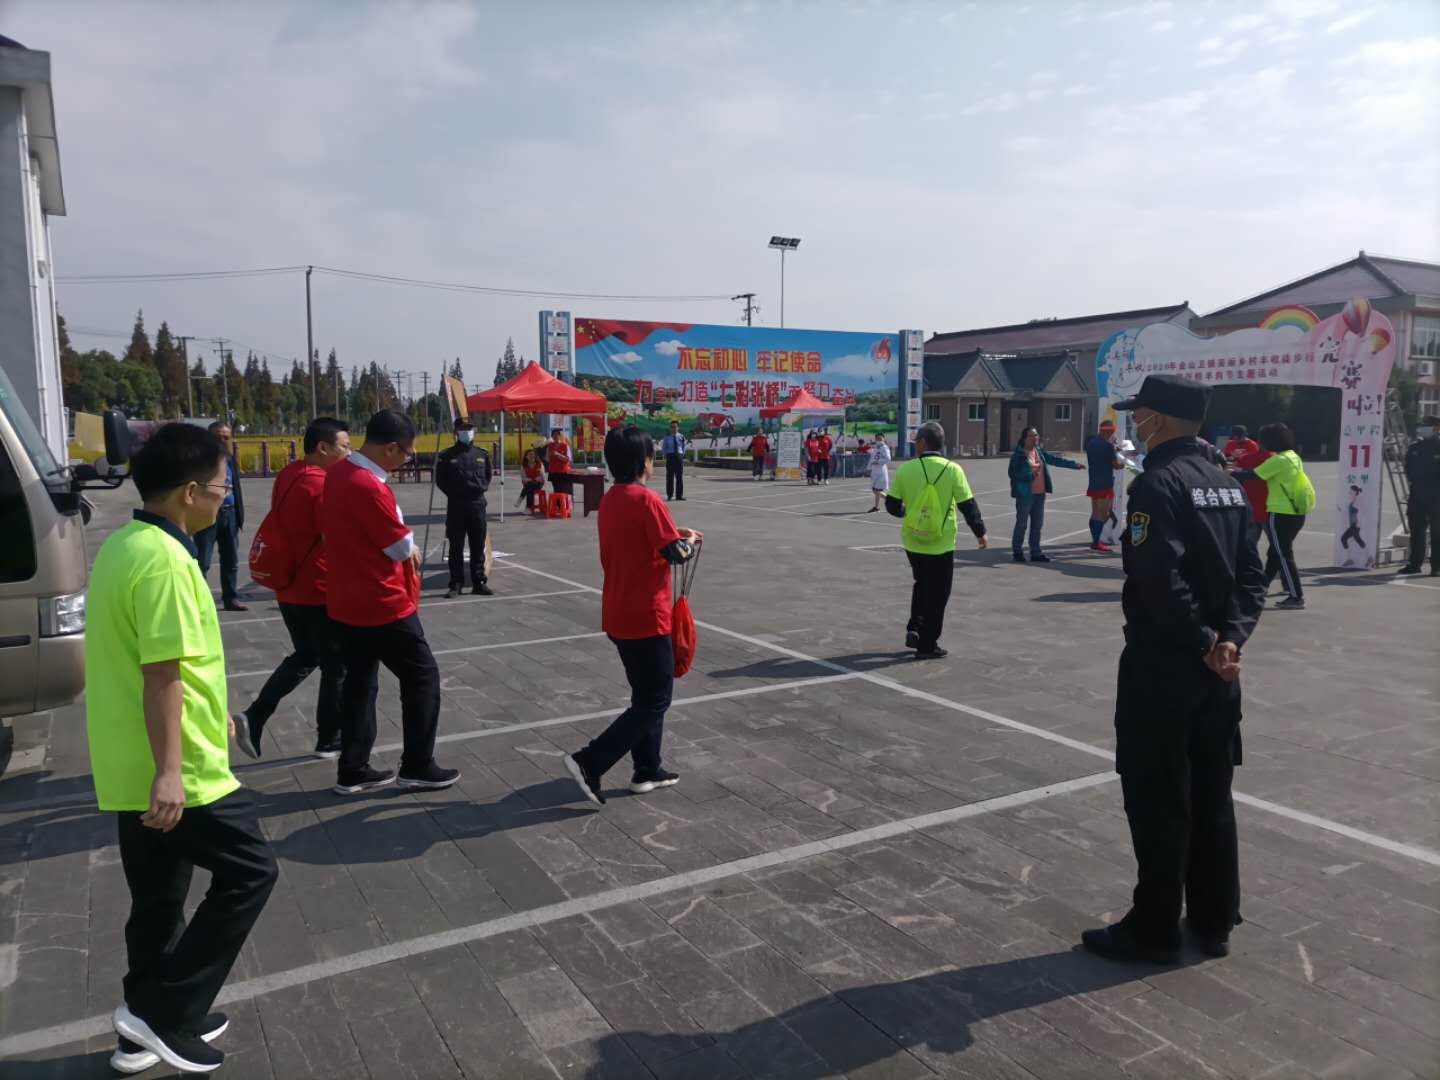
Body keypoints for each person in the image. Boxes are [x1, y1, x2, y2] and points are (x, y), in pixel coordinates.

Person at [85, 422, 278, 1074]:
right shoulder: (168, 562)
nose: (227, 497)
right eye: (223, 487)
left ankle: (139, 1029)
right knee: (252, 871)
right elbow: (161, 671)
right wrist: (171, 771)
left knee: (159, 900)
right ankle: (164, 1011)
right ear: (190, 492)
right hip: (178, 769)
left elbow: (162, 660)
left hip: (127, 760)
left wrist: (215, 710)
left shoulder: (126, 546)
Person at [1081, 374, 1264, 966]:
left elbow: (1159, 577)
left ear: (1157, 419)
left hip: (1165, 668)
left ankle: (1154, 926)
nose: (1134, 424)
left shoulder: (1158, 484)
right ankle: (1214, 917)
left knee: (1158, 795)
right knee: (1212, 791)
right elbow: (1252, 576)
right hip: (1220, 674)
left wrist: (1205, 641)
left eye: (1139, 415)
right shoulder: (1227, 485)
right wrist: (1230, 639)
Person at [323, 410, 459, 795]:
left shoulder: (338, 473)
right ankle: (417, 764)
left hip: (346, 598)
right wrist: (409, 544)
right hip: (381, 600)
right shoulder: (369, 486)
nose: (407, 460)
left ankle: (353, 768)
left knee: (360, 683)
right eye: (407, 453)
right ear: (391, 448)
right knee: (422, 675)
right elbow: (400, 547)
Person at [565, 426, 701, 805]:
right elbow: (676, 554)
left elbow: (645, 539)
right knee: (655, 700)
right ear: (644, 461)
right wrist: (689, 541)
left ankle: (647, 768)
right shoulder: (647, 501)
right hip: (646, 615)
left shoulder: (611, 499)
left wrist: (674, 533)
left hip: (618, 611)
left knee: (645, 695)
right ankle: (589, 761)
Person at [232, 418, 352, 761]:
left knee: (307, 655)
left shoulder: (290, 473)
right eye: (345, 446)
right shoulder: (322, 485)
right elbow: (334, 537)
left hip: (288, 587)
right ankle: (329, 738)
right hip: (317, 588)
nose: (350, 453)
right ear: (323, 448)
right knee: (336, 666)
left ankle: (256, 716)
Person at [885, 421, 988, 659]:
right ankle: (927, 643)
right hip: (941, 543)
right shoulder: (953, 470)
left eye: (916, 441)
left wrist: (908, 512)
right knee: (939, 593)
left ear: (923, 443)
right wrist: (980, 532)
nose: (914, 445)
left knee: (921, 584)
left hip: (913, 540)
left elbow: (891, 505)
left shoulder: (906, 470)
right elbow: (968, 505)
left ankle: (915, 627)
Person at [1233, 422, 1310, 610]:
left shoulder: (1278, 460)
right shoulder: (1292, 456)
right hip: (1296, 510)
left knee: (1283, 554)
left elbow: (1253, 475)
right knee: (1276, 553)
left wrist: (1231, 472)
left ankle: (1296, 596)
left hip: (1280, 512)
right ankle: (1263, 587)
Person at [436, 417, 494, 599]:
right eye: (462, 429)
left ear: (473, 430)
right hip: (457, 506)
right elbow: (441, 481)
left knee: (477, 545)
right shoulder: (447, 455)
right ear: (456, 432)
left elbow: (487, 476)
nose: (466, 432)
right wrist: (456, 493)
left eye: (469, 428)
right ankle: (456, 583)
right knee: (456, 547)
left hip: (477, 505)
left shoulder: (482, 454)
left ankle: (479, 582)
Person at [193, 421, 247, 611]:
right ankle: (199, 601)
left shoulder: (229, 458)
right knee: (202, 561)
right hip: (207, 515)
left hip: (229, 514)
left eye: (226, 437)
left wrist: (239, 515)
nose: (222, 440)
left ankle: (230, 598)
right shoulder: (199, 459)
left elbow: (236, 487)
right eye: (218, 436)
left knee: (231, 560)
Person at [1008, 427, 1083, 563]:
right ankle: (1017, 552)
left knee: (1037, 525)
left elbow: (1054, 460)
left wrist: (1074, 465)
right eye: (1032, 436)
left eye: (1036, 435)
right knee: (1022, 524)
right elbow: (1013, 474)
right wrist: (1030, 475)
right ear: (1024, 439)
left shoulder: (1038, 451)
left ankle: (1036, 553)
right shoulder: (1018, 455)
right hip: (1025, 495)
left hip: (1040, 495)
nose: (1035, 438)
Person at [1399, 415, 1440, 576]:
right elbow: (1408, 469)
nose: (1422, 428)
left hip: (1437, 497)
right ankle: (1414, 563)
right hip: (1417, 495)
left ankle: (1437, 566)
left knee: (1437, 532)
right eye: (1422, 425)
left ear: (1436, 428)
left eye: (1426, 426)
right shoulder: (1415, 447)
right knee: (1416, 531)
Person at [1085, 419, 1125, 552]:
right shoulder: (1108, 447)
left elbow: (1101, 456)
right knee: (1103, 514)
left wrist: (1114, 449)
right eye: (1111, 432)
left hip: (1094, 482)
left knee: (1095, 513)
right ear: (1109, 432)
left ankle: (1095, 540)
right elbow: (1116, 465)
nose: (1112, 435)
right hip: (1105, 483)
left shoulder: (1091, 443)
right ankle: (1096, 542)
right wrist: (1126, 463)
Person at [1227, 436, 1272, 549]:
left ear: (1259, 443)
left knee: (1248, 545)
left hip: (1251, 507)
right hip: (1270, 508)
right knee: (1276, 545)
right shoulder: (1276, 459)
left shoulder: (1247, 458)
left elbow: (1232, 473)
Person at [661, 420, 687, 500]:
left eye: (675, 427)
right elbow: (664, 447)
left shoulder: (681, 436)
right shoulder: (667, 437)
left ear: (678, 427)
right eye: (672, 427)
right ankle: (669, 495)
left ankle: (679, 495)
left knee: (679, 476)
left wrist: (682, 454)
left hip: (679, 457)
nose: (673, 428)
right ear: (670, 428)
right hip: (670, 456)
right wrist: (666, 455)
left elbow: (684, 446)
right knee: (670, 477)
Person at [1339, 485, 1367, 558]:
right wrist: (1341, 510)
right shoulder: (1353, 501)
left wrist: (1358, 522)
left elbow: (1362, 512)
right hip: (1353, 525)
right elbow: (1349, 512)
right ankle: (1367, 556)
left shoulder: (1358, 501)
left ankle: (1348, 558)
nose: (1349, 493)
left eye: (1351, 492)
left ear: (1355, 492)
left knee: (1344, 538)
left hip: (1355, 525)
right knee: (1358, 540)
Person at [867, 432, 892, 512]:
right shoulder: (875, 448)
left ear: (884, 439)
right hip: (874, 471)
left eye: (880, 439)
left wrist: (878, 461)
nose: (879, 440)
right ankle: (889, 499)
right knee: (874, 490)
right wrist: (868, 468)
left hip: (881, 471)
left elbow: (888, 459)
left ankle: (876, 507)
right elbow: (871, 459)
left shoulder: (884, 447)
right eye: (877, 439)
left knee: (877, 490)